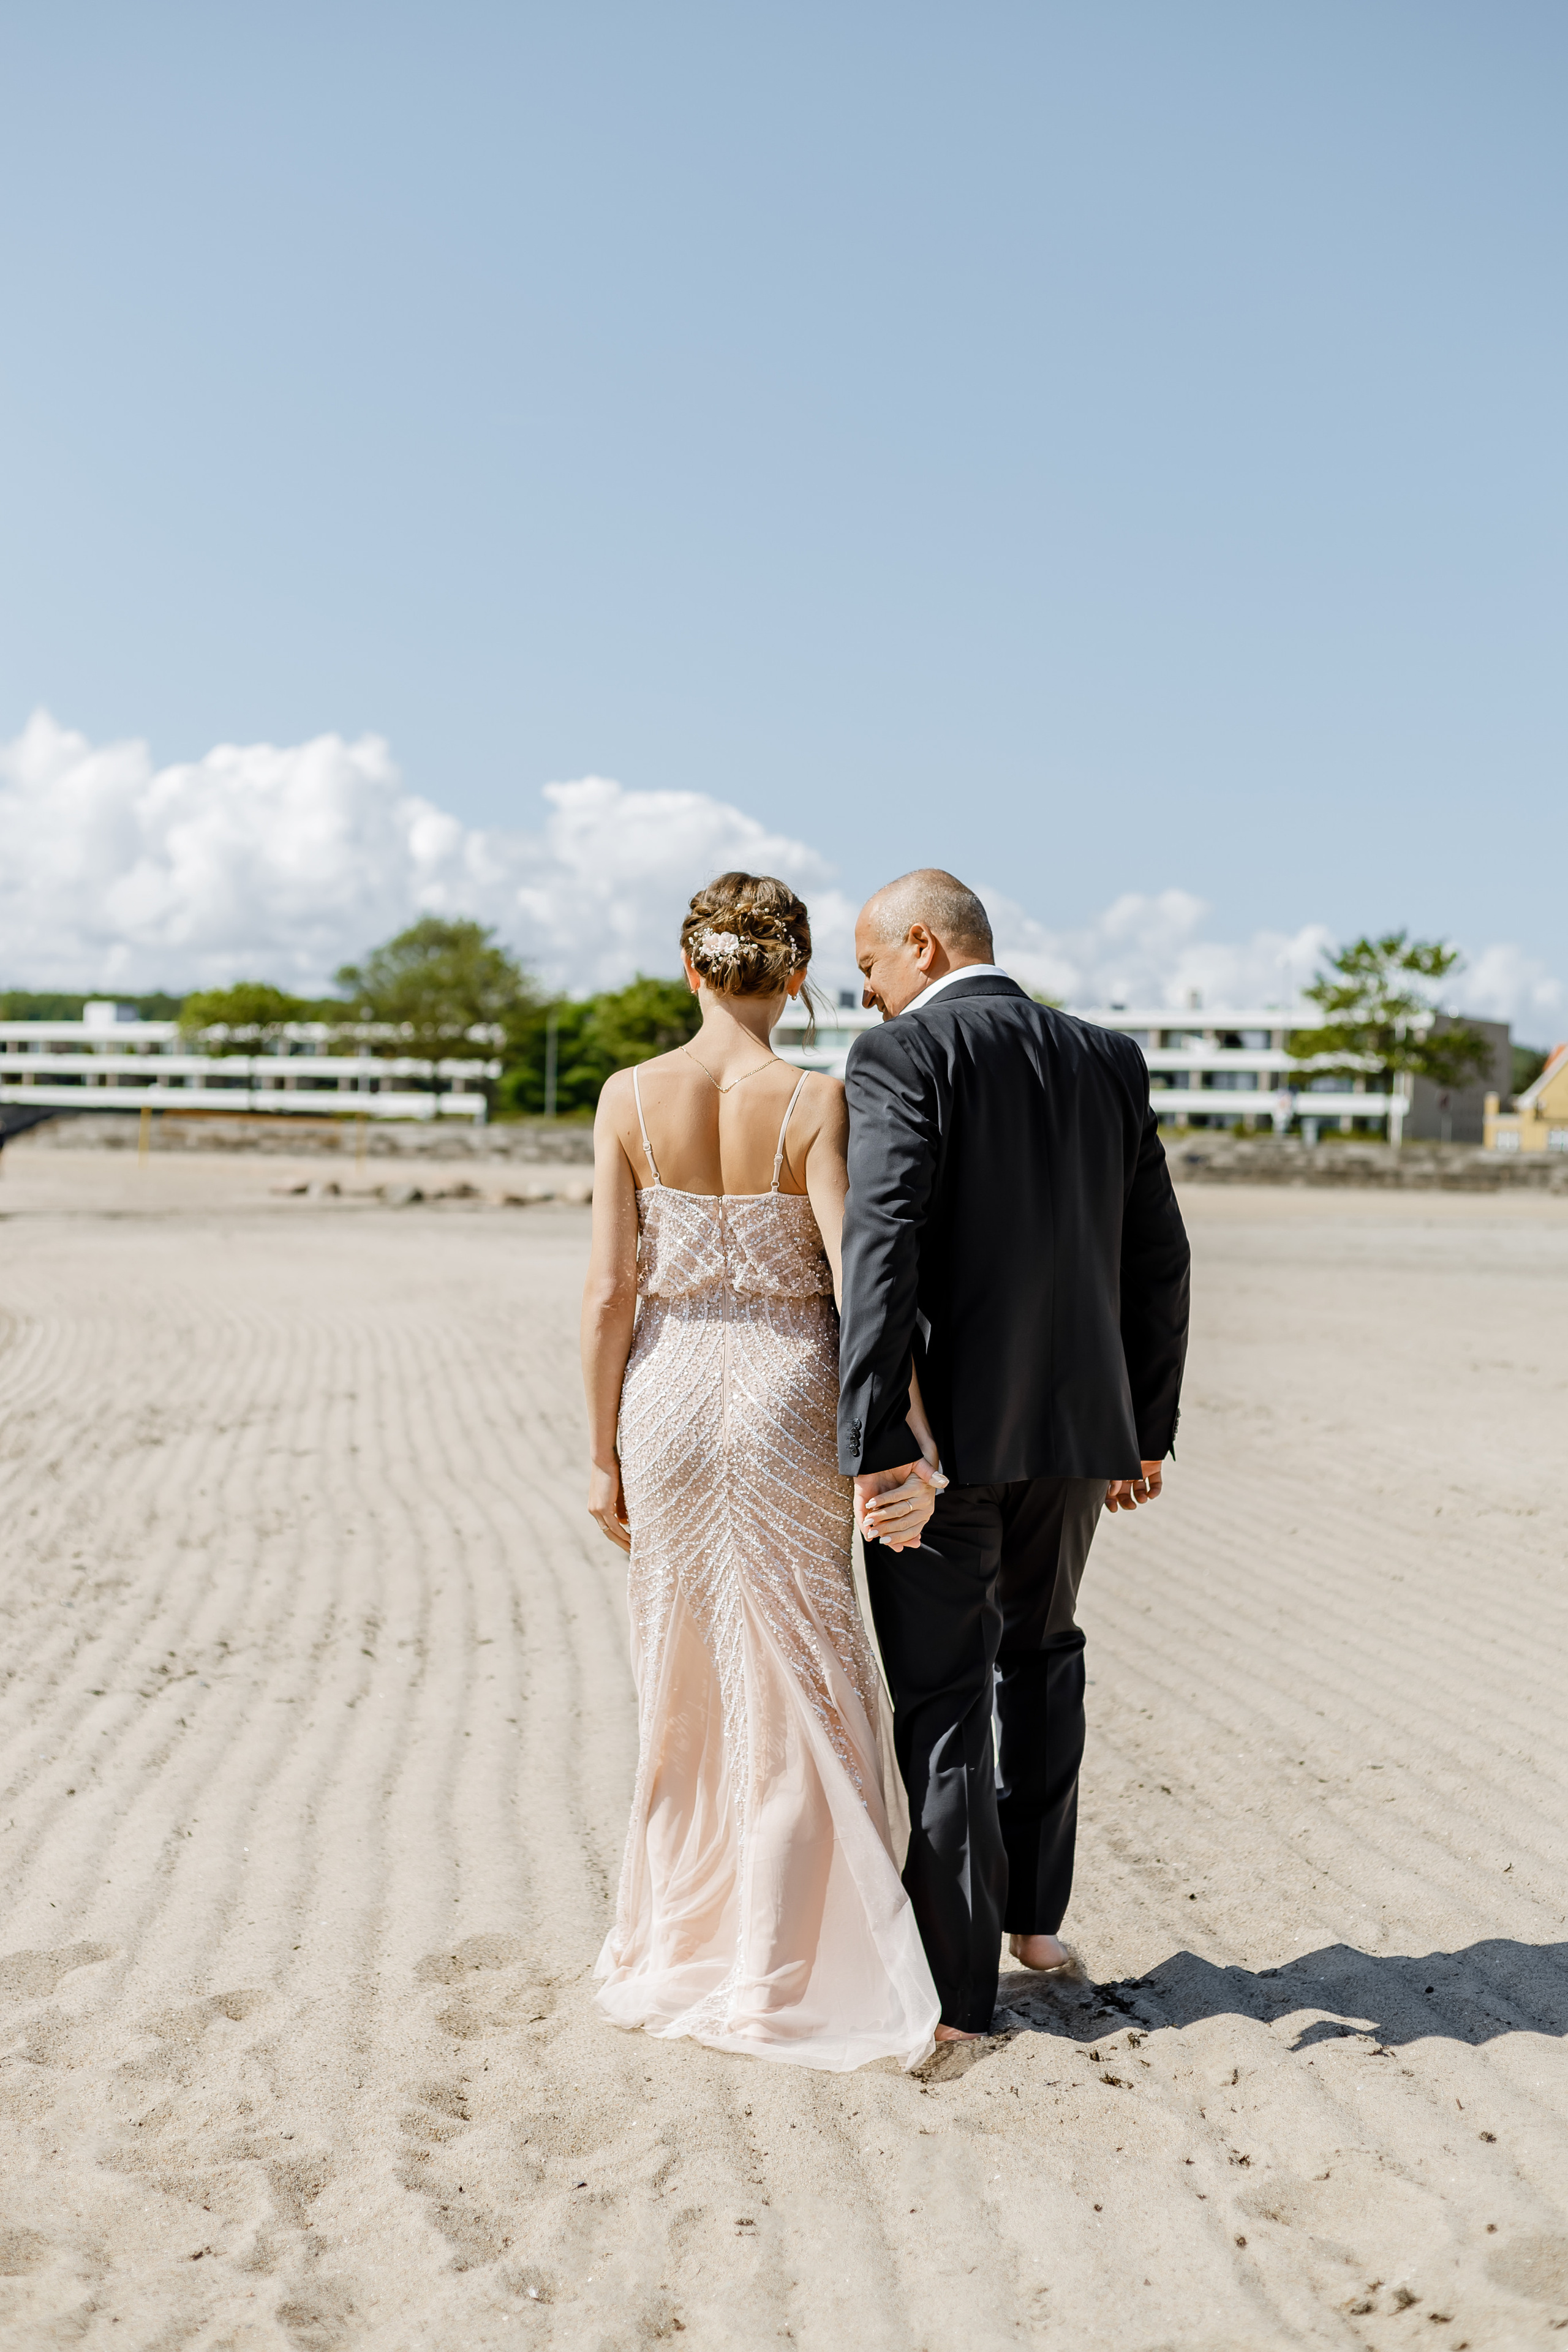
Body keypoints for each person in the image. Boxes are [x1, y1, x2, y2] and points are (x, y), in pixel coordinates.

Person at [581, 872, 944, 2070]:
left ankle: (683, 1943)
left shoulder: (627, 1098)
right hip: (789, 1398)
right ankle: (776, 1973)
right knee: (801, 1680)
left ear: (690, 968)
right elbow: (857, 1281)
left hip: (669, 1400)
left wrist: (600, 1453)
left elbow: (608, 1294)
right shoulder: (815, 1099)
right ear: (793, 978)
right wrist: (911, 1427)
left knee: (685, 1676)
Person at [839, 869, 1191, 2040]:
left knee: (944, 1695)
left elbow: (883, 1246)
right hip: (1081, 1435)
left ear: (924, 945)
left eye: (870, 968)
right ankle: (1036, 1924)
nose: (868, 993)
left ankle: (956, 1995)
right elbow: (1159, 1254)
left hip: (945, 1449)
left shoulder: (902, 1057)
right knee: (1043, 1659)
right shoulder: (1107, 1057)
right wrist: (1143, 1428)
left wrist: (878, 1439)